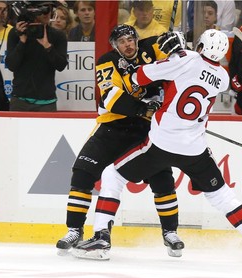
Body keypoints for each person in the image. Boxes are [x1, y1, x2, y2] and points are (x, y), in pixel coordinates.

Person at [73, 29, 242, 263]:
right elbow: (224, 83)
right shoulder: (223, 75)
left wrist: (168, 57)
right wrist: (176, 56)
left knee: (112, 175)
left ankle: (100, 238)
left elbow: (140, 78)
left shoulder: (184, 59)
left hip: (162, 144)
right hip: (195, 148)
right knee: (220, 194)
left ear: (200, 46)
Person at [56, 24, 184, 258]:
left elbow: (176, 52)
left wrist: (176, 41)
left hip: (147, 130)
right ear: (115, 46)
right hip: (113, 126)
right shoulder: (107, 61)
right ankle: (75, 230)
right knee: (83, 173)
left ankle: (170, 233)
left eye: (131, 39)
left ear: (137, 39)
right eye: (122, 41)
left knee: (162, 178)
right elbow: (111, 96)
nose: (128, 44)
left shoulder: (151, 47)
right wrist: (143, 108)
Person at [5, 1, 68, 112]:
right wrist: (22, 41)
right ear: (32, 10)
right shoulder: (16, 33)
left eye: (49, 9)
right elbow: (11, 65)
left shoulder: (58, 35)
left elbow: (61, 65)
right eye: (44, 9)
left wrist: (48, 46)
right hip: (20, 101)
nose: (47, 13)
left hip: (47, 102)